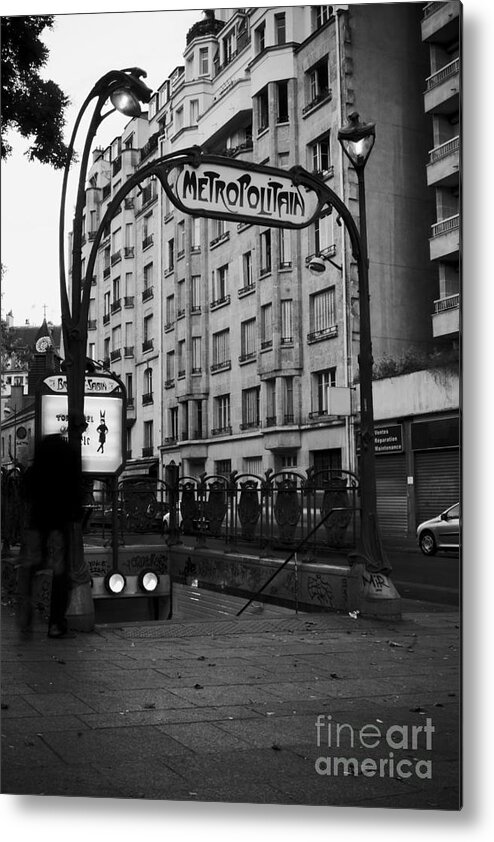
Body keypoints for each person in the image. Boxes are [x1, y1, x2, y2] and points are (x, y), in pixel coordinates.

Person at [18, 434, 82, 639]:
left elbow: (25, 491)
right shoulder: (68, 466)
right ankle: (56, 623)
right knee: (60, 574)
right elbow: (76, 494)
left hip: (37, 524)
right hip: (58, 526)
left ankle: (26, 612)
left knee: (30, 567)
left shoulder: (36, 470)